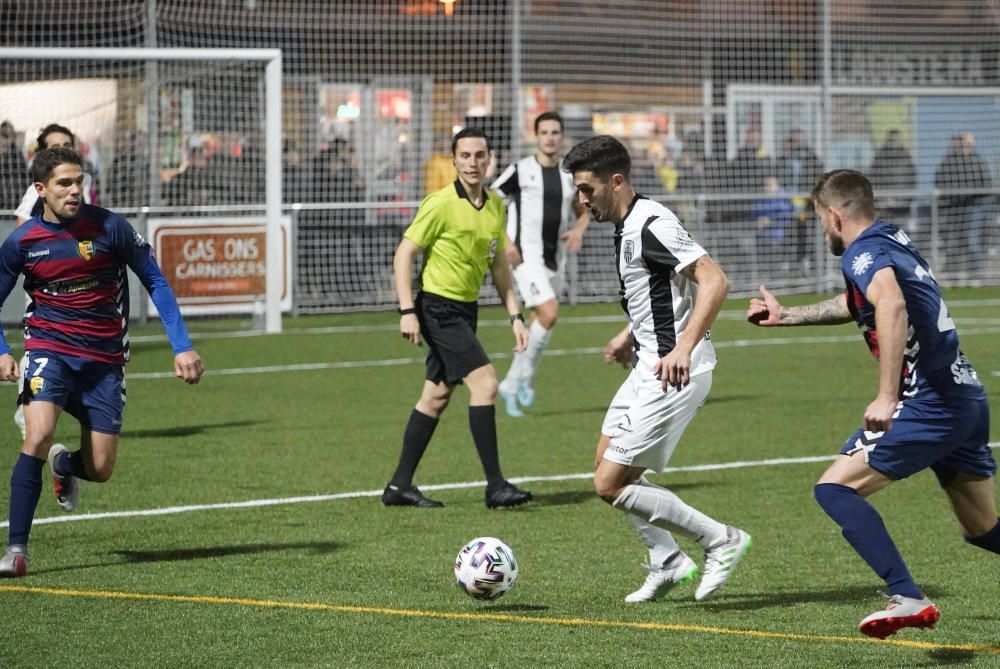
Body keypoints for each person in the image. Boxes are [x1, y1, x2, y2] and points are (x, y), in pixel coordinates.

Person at [746, 169, 997, 638]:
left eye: (821, 219)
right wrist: (788, 316)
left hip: (930, 401)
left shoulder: (864, 251)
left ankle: (907, 596)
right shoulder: (891, 238)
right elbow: (859, 302)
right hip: (964, 395)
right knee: (983, 530)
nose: (822, 229)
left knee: (834, 489)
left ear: (834, 215)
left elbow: (892, 305)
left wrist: (887, 396)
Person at [0, 147, 205, 577]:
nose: (75, 191)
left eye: (79, 182)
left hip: (104, 361)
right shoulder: (22, 243)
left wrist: (181, 345)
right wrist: (3, 351)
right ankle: (16, 550)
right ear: (41, 190)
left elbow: (155, 279)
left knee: (101, 468)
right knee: (37, 434)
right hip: (48, 352)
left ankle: (65, 465)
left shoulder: (110, 227)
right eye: (64, 184)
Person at [563, 135, 751, 603]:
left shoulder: (651, 223)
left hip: (675, 372)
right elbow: (660, 292)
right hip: (649, 362)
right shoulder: (626, 225)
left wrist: (682, 348)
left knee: (609, 483)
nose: (581, 200)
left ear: (617, 181)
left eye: (587, 189)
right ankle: (668, 561)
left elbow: (714, 280)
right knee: (605, 461)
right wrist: (630, 335)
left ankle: (720, 539)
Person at [382, 127, 533, 509]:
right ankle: (496, 486)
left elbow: (499, 267)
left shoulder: (496, 205)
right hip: (437, 308)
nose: (472, 162)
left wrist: (515, 315)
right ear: (454, 161)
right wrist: (406, 311)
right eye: (464, 156)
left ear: (489, 159)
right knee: (485, 384)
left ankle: (399, 486)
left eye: (479, 155)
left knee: (435, 397)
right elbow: (404, 255)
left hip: (466, 309)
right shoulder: (439, 203)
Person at [490, 111, 590, 417]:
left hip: (554, 258)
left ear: (561, 137)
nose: (550, 137)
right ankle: (526, 376)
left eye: (555, 132)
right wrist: (506, 243)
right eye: (544, 132)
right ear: (536, 136)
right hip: (525, 256)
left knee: (539, 320)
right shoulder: (520, 170)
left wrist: (578, 230)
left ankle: (510, 383)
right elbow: (490, 203)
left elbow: (583, 208)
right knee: (549, 312)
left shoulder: (568, 174)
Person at [934, 132, 993, 274]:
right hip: (954, 206)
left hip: (974, 206)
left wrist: (968, 192)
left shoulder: (977, 161)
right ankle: (953, 274)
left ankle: (976, 274)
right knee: (953, 240)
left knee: (971, 239)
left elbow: (986, 184)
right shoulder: (948, 161)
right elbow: (939, 180)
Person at [15, 124, 93, 226]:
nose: (62, 150)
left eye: (67, 145)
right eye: (55, 147)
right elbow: (22, 224)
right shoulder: (38, 189)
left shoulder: (86, 179)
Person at [868, 129, 916, 226]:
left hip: (902, 202)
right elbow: (874, 177)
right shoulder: (880, 157)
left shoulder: (906, 157)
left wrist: (909, 198)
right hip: (884, 201)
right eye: (893, 140)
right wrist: (878, 199)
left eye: (897, 140)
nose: (895, 142)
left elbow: (911, 178)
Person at [0, 121, 27, 212]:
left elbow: (23, 179)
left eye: (9, 136)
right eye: (4, 136)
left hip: (15, 204)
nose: (5, 141)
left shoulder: (17, 156)